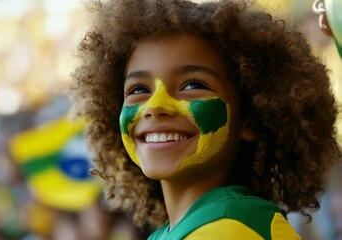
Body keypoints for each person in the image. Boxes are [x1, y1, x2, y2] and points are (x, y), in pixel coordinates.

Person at [69, 0, 341, 239]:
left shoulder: (231, 229)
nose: (155, 107)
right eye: (139, 90)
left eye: (192, 85)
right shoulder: (177, 231)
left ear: (249, 119)